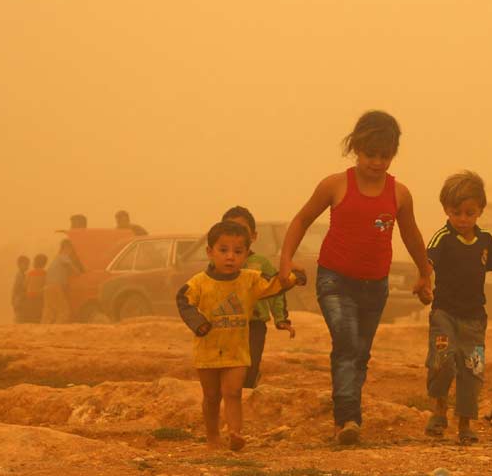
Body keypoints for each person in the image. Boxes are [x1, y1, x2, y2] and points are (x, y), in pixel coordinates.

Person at [276, 110, 433, 445]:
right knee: (347, 344)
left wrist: (425, 272)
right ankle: (347, 420)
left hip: (375, 286)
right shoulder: (335, 185)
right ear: (355, 148)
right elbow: (302, 220)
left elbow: (412, 236)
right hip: (335, 280)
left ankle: (346, 417)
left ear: (393, 155)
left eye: (384, 156)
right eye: (370, 154)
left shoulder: (399, 194)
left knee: (360, 352)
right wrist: (286, 260)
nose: (376, 162)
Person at [176, 221, 305, 452]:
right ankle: (213, 435)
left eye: (237, 252)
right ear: (209, 252)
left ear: (246, 254)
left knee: (234, 392)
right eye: (223, 250)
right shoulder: (198, 283)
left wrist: (294, 277)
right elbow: (183, 301)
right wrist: (199, 324)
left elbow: (274, 284)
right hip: (207, 351)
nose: (230, 257)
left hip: (237, 350)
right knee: (212, 396)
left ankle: (235, 433)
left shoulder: (250, 279)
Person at [423, 171, 492, 445]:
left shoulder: (486, 240)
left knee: (472, 369)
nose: (463, 219)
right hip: (444, 314)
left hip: (475, 320)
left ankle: (464, 422)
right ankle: (439, 408)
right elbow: (427, 263)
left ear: (480, 211)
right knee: (443, 359)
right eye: (457, 213)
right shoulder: (442, 237)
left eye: (470, 212)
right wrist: (423, 283)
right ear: (446, 210)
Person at [221, 206, 296, 389]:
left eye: (241, 230)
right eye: (230, 230)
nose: (235, 235)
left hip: (254, 325)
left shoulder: (261, 263)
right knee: (227, 369)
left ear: (253, 236)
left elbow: (276, 290)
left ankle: (249, 390)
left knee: (250, 367)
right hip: (225, 325)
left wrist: (281, 319)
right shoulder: (217, 264)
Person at [42, 241, 78, 324]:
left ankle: (43, 331)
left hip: (47, 287)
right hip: (55, 286)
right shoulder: (63, 256)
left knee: (48, 313)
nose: (72, 252)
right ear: (66, 247)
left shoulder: (56, 258)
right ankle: (57, 331)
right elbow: (70, 266)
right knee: (64, 311)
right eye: (71, 249)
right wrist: (78, 273)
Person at [23, 254, 48, 323]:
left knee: (31, 315)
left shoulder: (29, 273)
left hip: (30, 296)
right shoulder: (45, 274)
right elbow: (46, 285)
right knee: (38, 315)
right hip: (40, 297)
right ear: (44, 264)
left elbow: (25, 285)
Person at [11, 255, 31, 323]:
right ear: (19, 264)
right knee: (19, 316)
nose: (27, 266)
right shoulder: (19, 275)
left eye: (28, 264)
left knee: (19, 315)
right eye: (25, 264)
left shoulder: (22, 274)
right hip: (18, 298)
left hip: (19, 298)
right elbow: (18, 288)